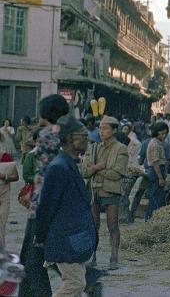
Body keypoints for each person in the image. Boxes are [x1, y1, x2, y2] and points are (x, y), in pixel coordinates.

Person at [35, 115, 97, 297]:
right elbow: (46, 207)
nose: (87, 139)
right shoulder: (59, 167)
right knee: (75, 285)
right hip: (64, 239)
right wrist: (41, 236)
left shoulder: (69, 164)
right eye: (83, 135)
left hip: (73, 238)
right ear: (70, 138)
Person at [19, 95, 68, 297]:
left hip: (42, 207)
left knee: (33, 260)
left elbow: (48, 175)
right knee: (38, 257)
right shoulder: (62, 134)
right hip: (49, 204)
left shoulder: (47, 135)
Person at [80, 115, 128, 270]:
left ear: (114, 130)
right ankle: (92, 256)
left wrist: (96, 169)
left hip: (111, 192)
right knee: (93, 226)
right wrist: (96, 168)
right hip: (94, 191)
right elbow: (85, 172)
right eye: (100, 128)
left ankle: (114, 257)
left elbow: (117, 173)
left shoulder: (121, 149)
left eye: (105, 128)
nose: (102, 131)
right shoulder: (93, 148)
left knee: (112, 225)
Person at [145, 121, 168, 221]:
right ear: (156, 132)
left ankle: (153, 218)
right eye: (161, 133)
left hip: (158, 171)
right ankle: (150, 219)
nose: (164, 135)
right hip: (156, 172)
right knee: (155, 197)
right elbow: (155, 162)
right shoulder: (155, 144)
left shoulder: (158, 142)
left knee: (158, 196)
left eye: (165, 133)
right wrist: (160, 177)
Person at [0, 139, 18, 248]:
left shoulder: (5, 156)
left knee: (1, 225)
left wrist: (4, 176)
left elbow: (16, 176)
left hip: (3, 195)